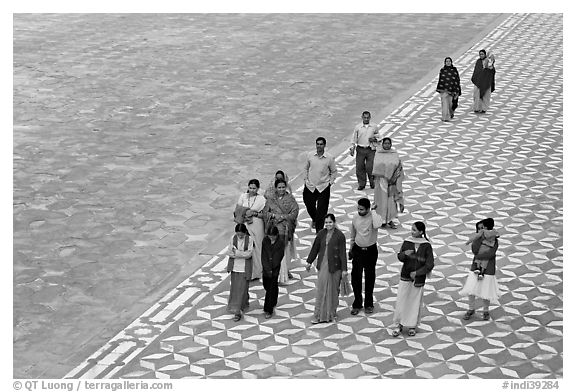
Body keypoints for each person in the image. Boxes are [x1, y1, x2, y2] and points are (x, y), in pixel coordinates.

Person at [391, 221, 434, 337]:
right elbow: (400, 257)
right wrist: (405, 254)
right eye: (412, 229)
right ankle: (398, 324)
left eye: (414, 230)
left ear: (421, 232)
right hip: (405, 276)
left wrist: (418, 273)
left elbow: (430, 264)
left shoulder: (426, 245)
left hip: (418, 279)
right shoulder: (407, 242)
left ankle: (411, 325)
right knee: (402, 300)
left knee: (414, 302)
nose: (412, 232)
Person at [305, 214, 348, 324]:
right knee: (321, 290)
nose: (328, 224)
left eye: (330, 222)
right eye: (326, 222)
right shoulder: (321, 234)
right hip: (323, 265)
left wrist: (344, 269)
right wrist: (309, 261)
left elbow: (343, 253)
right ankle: (318, 315)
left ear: (334, 222)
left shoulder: (340, 236)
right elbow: (315, 247)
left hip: (335, 267)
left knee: (333, 291)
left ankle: (331, 313)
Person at [460, 218, 501, 321]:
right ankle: (471, 308)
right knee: (471, 289)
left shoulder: (494, 240)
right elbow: (474, 249)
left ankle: (486, 310)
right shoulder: (478, 239)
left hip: (488, 268)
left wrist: (480, 256)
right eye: (479, 229)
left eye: (482, 228)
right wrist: (478, 239)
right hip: (476, 267)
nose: (480, 230)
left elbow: (491, 253)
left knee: (486, 290)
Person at [260, 178, 299, 285]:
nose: (281, 189)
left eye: (283, 187)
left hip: (285, 229)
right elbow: (265, 213)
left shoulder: (290, 199)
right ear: (275, 188)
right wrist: (273, 216)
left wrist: (281, 217)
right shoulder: (271, 200)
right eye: (279, 187)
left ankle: (283, 275)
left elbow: (294, 213)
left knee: (282, 253)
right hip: (273, 230)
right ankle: (273, 275)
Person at [349, 198, 383, 316]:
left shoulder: (374, 217)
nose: (359, 211)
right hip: (358, 250)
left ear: (368, 209)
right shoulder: (355, 217)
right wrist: (351, 248)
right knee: (355, 277)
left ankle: (369, 303)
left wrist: (373, 211)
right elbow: (353, 233)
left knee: (369, 277)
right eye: (358, 208)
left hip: (371, 250)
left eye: (362, 209)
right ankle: (357, 303)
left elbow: (378, 224)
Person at [303, 136, 337, 232]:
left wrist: (330, 182)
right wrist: (306, 179)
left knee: (322, 210)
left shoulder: (329, 158)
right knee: (308, 204)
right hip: (310, 186)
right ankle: (315, 218)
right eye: (317, 144)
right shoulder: (310, 155)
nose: (319, 146)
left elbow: (334, 171)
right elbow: (305, 168)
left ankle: (319, 231)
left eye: (321, 144)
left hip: (323, 186)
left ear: (324, 145)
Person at [235, 179, 266, 280]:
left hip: (257, 224)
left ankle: (258, 271)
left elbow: (264, 214)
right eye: (250, 188)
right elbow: (237, 210)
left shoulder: (261, 199)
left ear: (257, 189)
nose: (252, 190)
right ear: (248, 187)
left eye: (254, 188)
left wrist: (254, 213)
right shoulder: (243, 196)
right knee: (246, 246)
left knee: (257, 247)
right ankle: (248, 272)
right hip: (245, 224)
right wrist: (245, 213)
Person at [372, 137, 405, 229]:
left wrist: (394, 176)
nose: (387, 145)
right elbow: (376, 166)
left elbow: (398, 165)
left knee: (391, 201)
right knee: (381, 201)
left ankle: (390, 220)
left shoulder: (394, 154)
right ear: (382, 144)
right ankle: (381, 220)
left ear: (391, 144)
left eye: (388, 143)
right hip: (381, 181)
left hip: (392, 181)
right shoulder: (378, 153)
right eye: (385, 143)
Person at [349, 111, 385, 190]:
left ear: (370, 117)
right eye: (364, 117)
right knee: (360, 167)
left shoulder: (374, 126)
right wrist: (352, 148)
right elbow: (354, 138)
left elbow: (379, 136)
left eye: (367, 117)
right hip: (360, 149)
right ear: (362, 117)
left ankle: (373, 183)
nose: (366, 119)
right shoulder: (358, 127)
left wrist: (375, 139)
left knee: (370, 167)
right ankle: (361, 184)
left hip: (370, 149)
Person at [226, 223, 254, 322]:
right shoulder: (232, 238)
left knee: (242, 289)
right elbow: (229, 252)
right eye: (238, 234)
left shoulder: (250, 240)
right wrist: (240, 254)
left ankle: (239, 309)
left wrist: (237, 253)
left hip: (244, 268)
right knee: (235, 289)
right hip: (234, 267)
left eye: (241, 235)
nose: (240, 236)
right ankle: (237, 308)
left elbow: (249, 254)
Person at [261, 226, 285, 319]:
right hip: (266, 268)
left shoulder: (280, 243)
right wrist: (266, 267)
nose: (271, 238)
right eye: (270, 236)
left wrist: (272, 268)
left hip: (274, 269)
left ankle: (268, 309)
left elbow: (279, 256)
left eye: (273, 236)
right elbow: (263, 255)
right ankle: (273, 300)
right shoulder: (265, 241)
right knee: (267, 286)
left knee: (270, 290)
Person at [436, 57, 462, 121]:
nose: (448, 62)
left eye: (449, 61)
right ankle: (445, 117)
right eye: (447, 61)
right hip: (444, 91)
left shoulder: (454, 70)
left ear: (451, 62)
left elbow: (457, 80)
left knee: (451, 104)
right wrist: (441, 88)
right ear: (445, 63)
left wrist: (457, 90)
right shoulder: (442, 70)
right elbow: (441, 80)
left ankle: (451, 113)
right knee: (444, 104)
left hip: (452, 91)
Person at [471, 49, 496, 113]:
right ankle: (477, 108)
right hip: (478, 82)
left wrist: (489, 69)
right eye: (480, 54)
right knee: (476, 95)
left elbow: (492, 71)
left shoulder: (488, 61)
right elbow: (476, 71)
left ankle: (484, 109)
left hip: (486, 81)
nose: (481, 55)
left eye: (482, 54)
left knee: (485, 96)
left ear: (485, 55)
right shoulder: (478, 62)